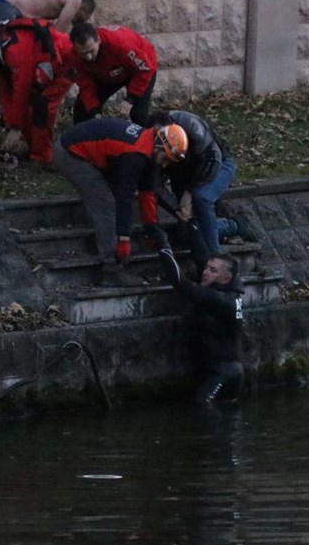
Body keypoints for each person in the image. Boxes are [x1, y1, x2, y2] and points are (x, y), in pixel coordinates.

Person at [52, 118, 188, 286]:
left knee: (113, 200)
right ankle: (111, 269)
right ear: (160, 146)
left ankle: (109, 244)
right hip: (71, 154)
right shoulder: (134, 156)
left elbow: (147, 193)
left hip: (94, 150)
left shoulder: (149, 146)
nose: (165, 164)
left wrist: (151, 227)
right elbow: (125, 198)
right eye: (165, 159)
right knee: (107, 205)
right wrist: (124, 240)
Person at [0, 0, 95, 123]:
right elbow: (55, 37)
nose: (77, 24)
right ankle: (14, 117)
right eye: (81, 19)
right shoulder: (75, 0)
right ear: (83, 8)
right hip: (4, 8)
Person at [150, 110, 257, 270]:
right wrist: (176, 208)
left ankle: (215, 261)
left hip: (218, 164)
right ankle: (231, 226)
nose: (163, 164)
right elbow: (154, 184)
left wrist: (190, 192)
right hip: (183, 175)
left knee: (201, 197)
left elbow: (213, 160)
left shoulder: (192, 126)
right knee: (186, 231)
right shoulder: (150, 140)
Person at [0, 17, 73, 167]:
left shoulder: (13, 51)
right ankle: (35, 150)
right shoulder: (0, 55)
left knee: (42, 107)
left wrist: (16, 127)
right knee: (27, 109)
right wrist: (11, 126)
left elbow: (22, 88)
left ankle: (43, 157)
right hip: (43, 68)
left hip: (62, 65)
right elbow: (6, 94)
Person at [159, 249, 245, 406]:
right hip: (228, 370)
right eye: (206, 268)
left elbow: (180, 283)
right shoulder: (230, 294)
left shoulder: (217, 298)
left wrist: (164, 248)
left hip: (221, 373)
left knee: (202, 409)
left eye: (213, 270)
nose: (205, 273)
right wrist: (192, 226)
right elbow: (200, 251)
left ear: (226, 278)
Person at [68, 23, 157, 127]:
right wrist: (95, 112)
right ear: (75, 48)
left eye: (91, 51)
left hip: (140, 69)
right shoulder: (74, 57)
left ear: (98, 40)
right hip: (108, 72)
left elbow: (144, 69)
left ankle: (152, 137)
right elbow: (86, 85)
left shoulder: (119, 44)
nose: (88, 57)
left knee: (138, 114)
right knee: (83, 109)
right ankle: (83, 141)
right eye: (83, 53)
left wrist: (130, 99)